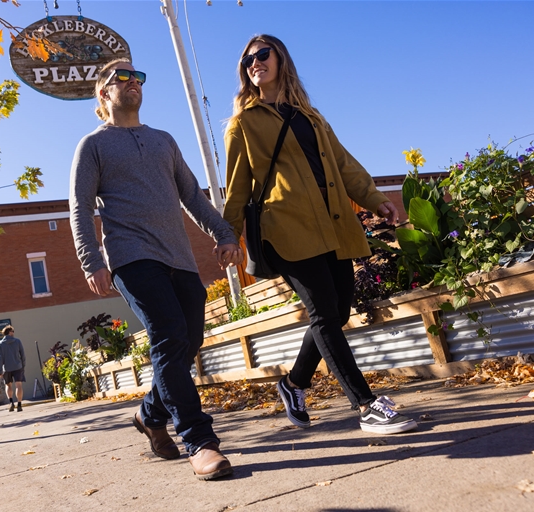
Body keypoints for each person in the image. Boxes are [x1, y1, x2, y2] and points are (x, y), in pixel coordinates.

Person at [223, 35, 417, 435]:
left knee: (338, 312)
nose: (254, 63)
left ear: (280, 60)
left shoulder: (311, 117)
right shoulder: (243, 124)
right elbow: (237, 188)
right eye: (247, 60)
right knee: (324, 314)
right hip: (287, 228)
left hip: (332, 225)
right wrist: (229, 235)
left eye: (262, 55)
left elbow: (344, 164)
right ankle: (366, 406)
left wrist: (374, 198)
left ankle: (293, 383)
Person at [69, 58, 243, 480]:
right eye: (121, 77)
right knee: (168, 333)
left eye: (138, 77)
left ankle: (149, 415)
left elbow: (193, 196)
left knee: (190, 339)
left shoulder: (164, 140)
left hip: (179, 257)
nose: (133, 82)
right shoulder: (92, 145)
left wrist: (223, 233)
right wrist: (92, 260)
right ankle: (199, 441)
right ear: (103, 93)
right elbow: (79, 208)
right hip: (131, 256)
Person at [0, 326, 25, 412]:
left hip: (7, 368)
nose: (13, 333)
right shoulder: (17, 341)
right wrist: (23, 366)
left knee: (8, 385)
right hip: (17, 367)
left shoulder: (1, 343)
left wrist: (0, 370)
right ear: (10, 332)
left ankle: (11, 403)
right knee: (18, 385)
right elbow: (23, 355)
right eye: (13, 331)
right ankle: (19, 405)